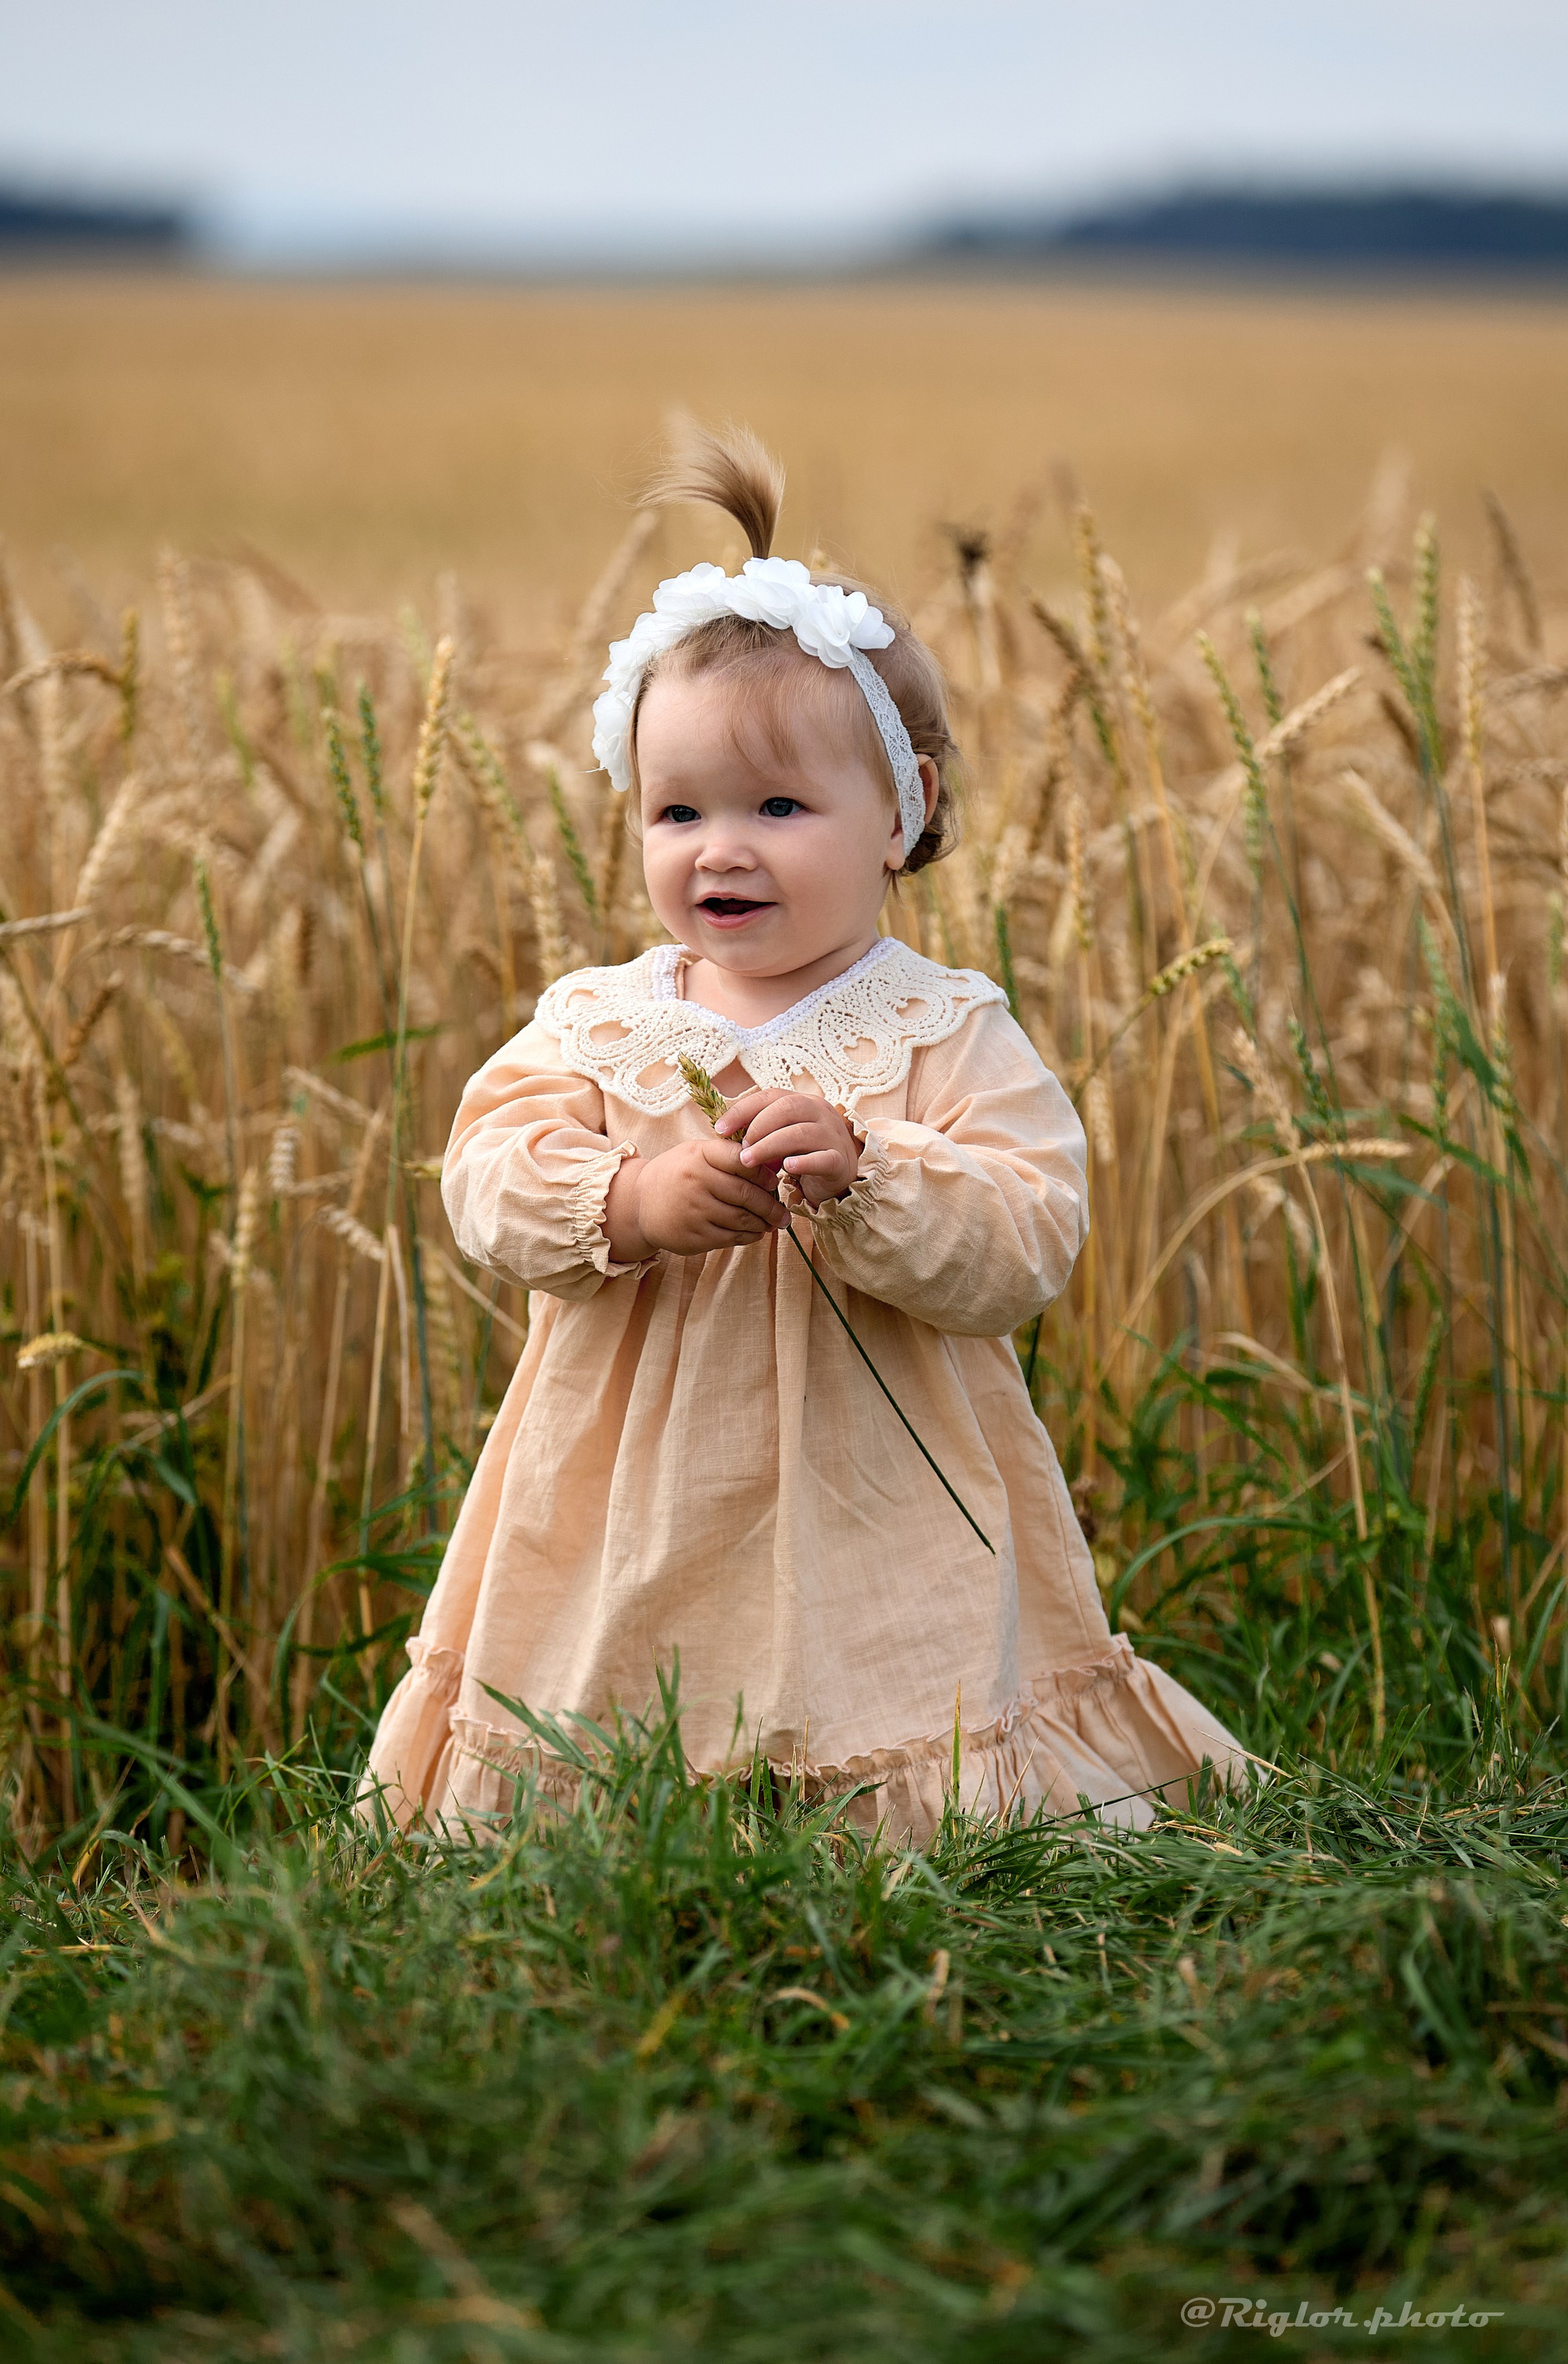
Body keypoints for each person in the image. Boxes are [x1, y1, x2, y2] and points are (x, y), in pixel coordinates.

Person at [366, 425, 1246, 1842]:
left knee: (894, 1688)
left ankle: (902, 1820)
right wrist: (634, 1200)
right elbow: (484, 1177)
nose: (720, 848)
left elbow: (1027, 1238)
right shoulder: (603, 1021)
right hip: (629, 1489)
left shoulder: (941, 1026)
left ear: (903, 815)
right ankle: (633, 1831)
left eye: (778, 806)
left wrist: (872, 1173)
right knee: (626, 1675)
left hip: (874, 1487)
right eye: (677, 810)